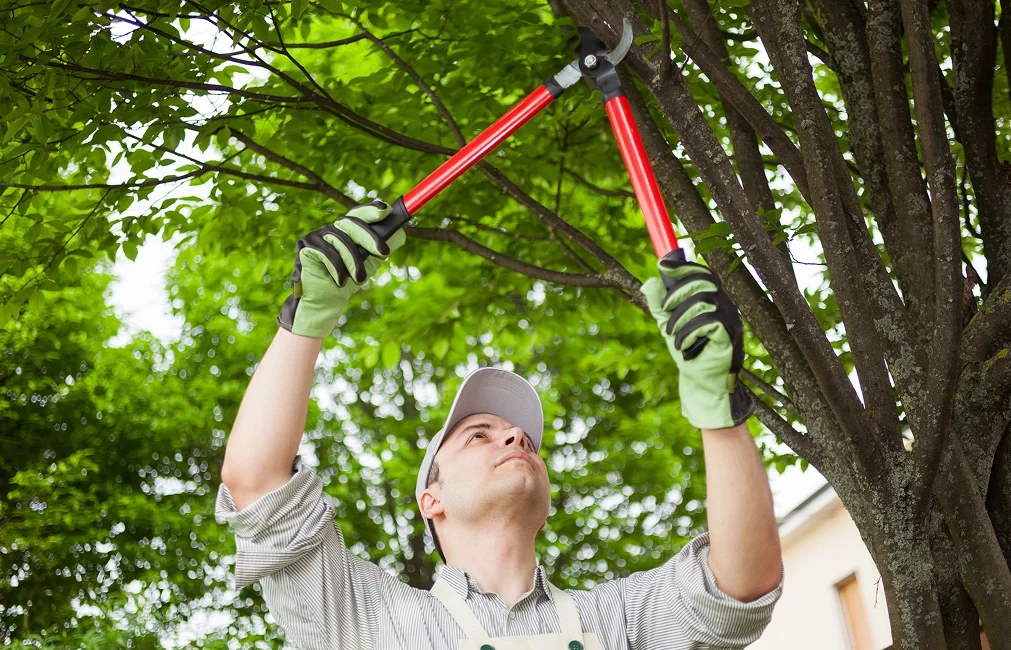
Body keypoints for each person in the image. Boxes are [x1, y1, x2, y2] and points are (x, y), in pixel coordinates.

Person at [216, 200, 784, 650]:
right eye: (478, 434)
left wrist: (719, 410)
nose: (515, 437)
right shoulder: (368, 620)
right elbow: (257, 483)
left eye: (524, 440)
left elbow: (739, 589)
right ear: (430, 499)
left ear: (548, 501)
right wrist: (305, 321)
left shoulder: (618, 621)